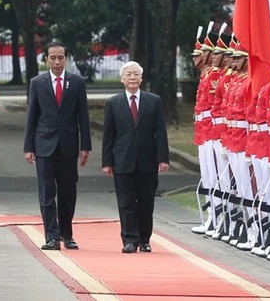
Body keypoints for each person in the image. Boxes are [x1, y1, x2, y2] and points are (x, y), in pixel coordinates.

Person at [23, 42, 91, 250]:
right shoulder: (37, 83)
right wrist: (29, 147)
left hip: (68, 146)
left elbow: (83, 117)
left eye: (61, 57)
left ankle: (66, 233)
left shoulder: (77, 83)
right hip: (44, 145)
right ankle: (51, 236)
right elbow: (32, 116)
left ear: (66, 59)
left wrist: (85, 146)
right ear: (46, 60)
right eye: (52, 58)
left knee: (68, 192)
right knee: (46, 192)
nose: (57, 62)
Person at [101, 61, 169, 253]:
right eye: (128, 74)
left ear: (141, 78)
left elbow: (160, 132)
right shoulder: (113, 103)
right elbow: (109, 135)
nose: (132, 78)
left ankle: (144, 239)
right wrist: (107, 162)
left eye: (136, 74)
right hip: (123, 160)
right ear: (122, 79)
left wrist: (163, 158)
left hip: (147, 160)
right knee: (126, 202)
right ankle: (129, 240)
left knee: (146, 201)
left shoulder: (153, 101)